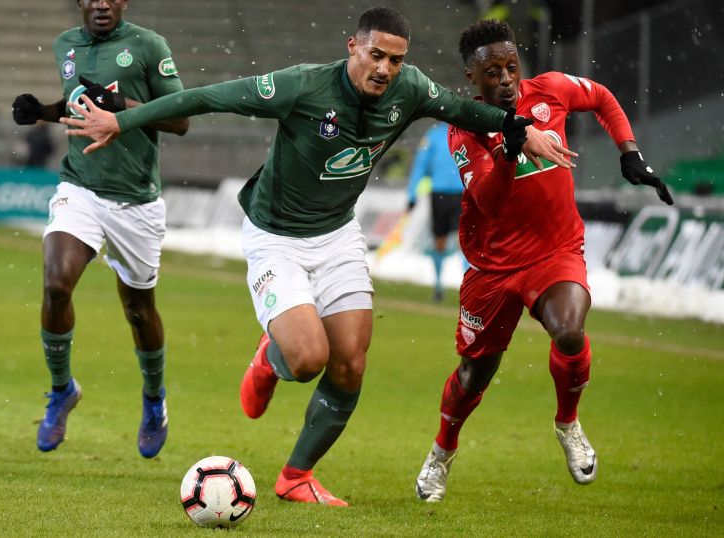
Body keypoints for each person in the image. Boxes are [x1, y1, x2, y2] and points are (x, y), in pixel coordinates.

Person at [60, 7, 575, 505]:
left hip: (338, 235)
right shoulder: (303, 86)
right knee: (308, 360)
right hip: (275, 237)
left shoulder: (410, 88)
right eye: (376, 55)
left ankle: (296, 476)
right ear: (353, 46)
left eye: (395, 60)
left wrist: (519, 128)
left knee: (350, 363)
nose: (385, 69)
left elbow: (464, 109)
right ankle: (271, 356)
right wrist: (121, 123)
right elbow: (207, 97)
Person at [415, 19, 674, 502]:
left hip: (555, 253)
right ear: (471, 76)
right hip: (492, 268)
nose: (507, 78)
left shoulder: (550, 91)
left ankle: (568, 423)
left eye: (512, 66)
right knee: (475, 375)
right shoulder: (464, 129)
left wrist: (629, 151)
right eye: (492, 71)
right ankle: (443, 450)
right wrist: (510, 151)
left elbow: (601, 97)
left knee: (571, 331)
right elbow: (490, 204)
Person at [11, 0, 189, 458]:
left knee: (139, 312)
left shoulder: (149, 46)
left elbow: (180, 119)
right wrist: (42, 111)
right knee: (55, 285)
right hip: (81, 187)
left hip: (137, 201)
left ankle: (154, 401)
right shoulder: (65, 45)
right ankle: (61, 390)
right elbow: (79, 106)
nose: (103, 3)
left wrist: (124, 106)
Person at [406, 122, 466, 303]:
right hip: (439, 194)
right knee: (439, 240)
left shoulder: (465, 133)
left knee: (463, 240)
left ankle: (468, 287)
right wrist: (412, 194)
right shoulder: (433, 135)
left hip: (462, 193)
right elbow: (420, 164)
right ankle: (439, 285)